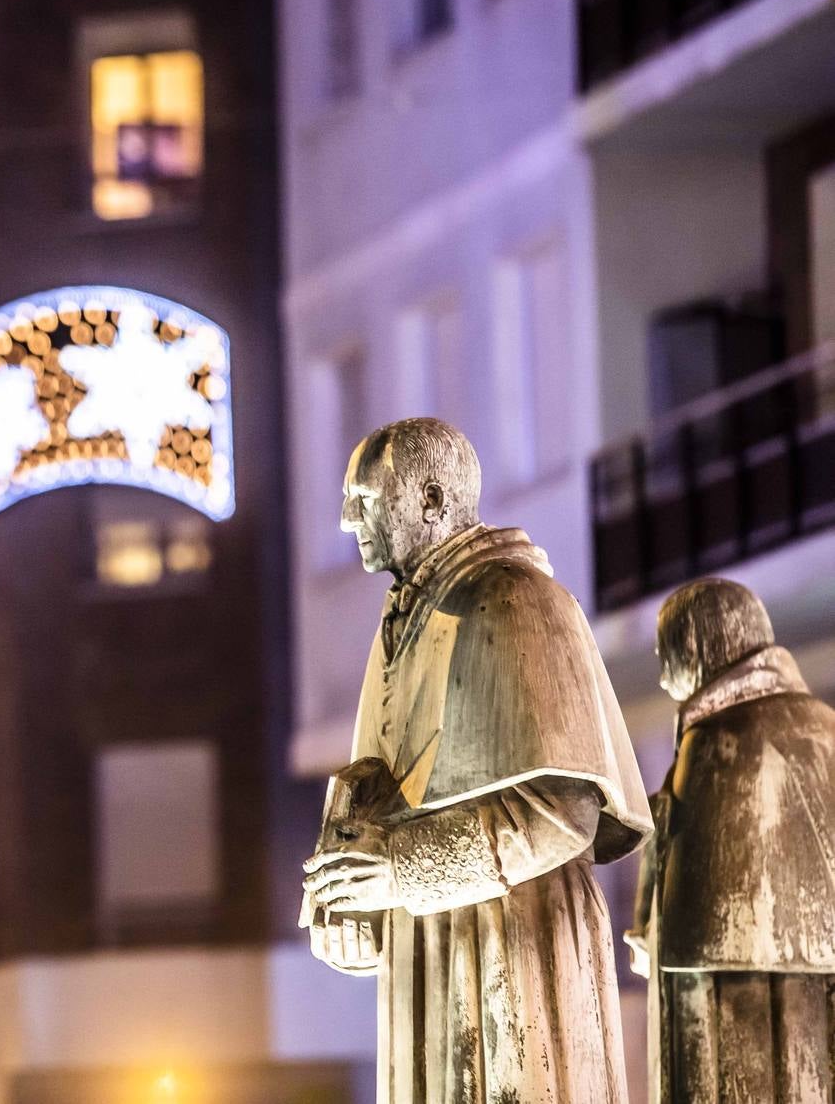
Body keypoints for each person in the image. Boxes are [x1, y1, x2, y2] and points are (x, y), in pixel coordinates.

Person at [301, 417, 650, 1103]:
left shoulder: (518, 600)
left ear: (430, 500)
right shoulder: (398, 624)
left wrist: (400, 871)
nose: (347, 522)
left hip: (511, 949)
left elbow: (559, 815)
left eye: (365, 500)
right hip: (430, 953)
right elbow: (378, 797)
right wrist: (346, 906)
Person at [629, 577, 835, 1100]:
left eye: (666, 652)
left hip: (735, 1014)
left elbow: (701, 926)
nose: (660, 675)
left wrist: (656, 936)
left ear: (698, 645)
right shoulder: (826, 728)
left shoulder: (719, 740)